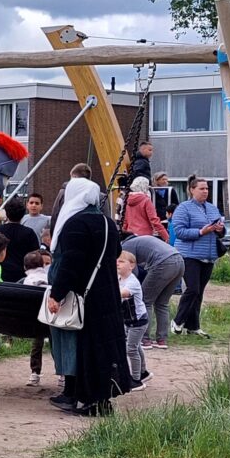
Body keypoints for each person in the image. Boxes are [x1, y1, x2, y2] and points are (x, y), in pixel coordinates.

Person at [45, 176, 131, 416]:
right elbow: (116, 251)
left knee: (86, 347)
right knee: (104, 347)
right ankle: (100, 399)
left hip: (85, 294)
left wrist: (56, 293)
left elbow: (70, 263)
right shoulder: (106, 222)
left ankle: (89, 401)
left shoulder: (75, 224)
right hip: (107, 292)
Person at [168, 178, 223, 338]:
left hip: (208, 255)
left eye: (207, 188)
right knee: (192, 289)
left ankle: (193, 326)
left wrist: (220, 229)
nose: (205, 191)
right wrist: (200, 232)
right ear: (192, 190)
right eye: (201, 188)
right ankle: (177, 321)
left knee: (199, 292)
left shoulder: (212, 208)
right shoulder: (183, 208)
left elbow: (221, 232)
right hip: (189, 255)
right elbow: (179, 232)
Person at [122, 232, 184, 349]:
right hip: (180, 261)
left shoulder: (126, 246)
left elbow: (132, 272)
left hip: (163, 263)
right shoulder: (141, 241)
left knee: (145, 300)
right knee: (162, 303)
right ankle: (162, 339)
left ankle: (144, 338)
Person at [117, 251, 149, 386]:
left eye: (121, 261)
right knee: (136, 346)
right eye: (116, 261)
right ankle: (143, 372)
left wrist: (108, 291)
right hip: (128, 319)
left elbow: (124, 293)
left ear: (132, 265)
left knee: (131, 349)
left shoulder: (132, 281)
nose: (117, 264)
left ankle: (136, 380)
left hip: (138, 321)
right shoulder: (118, 278)